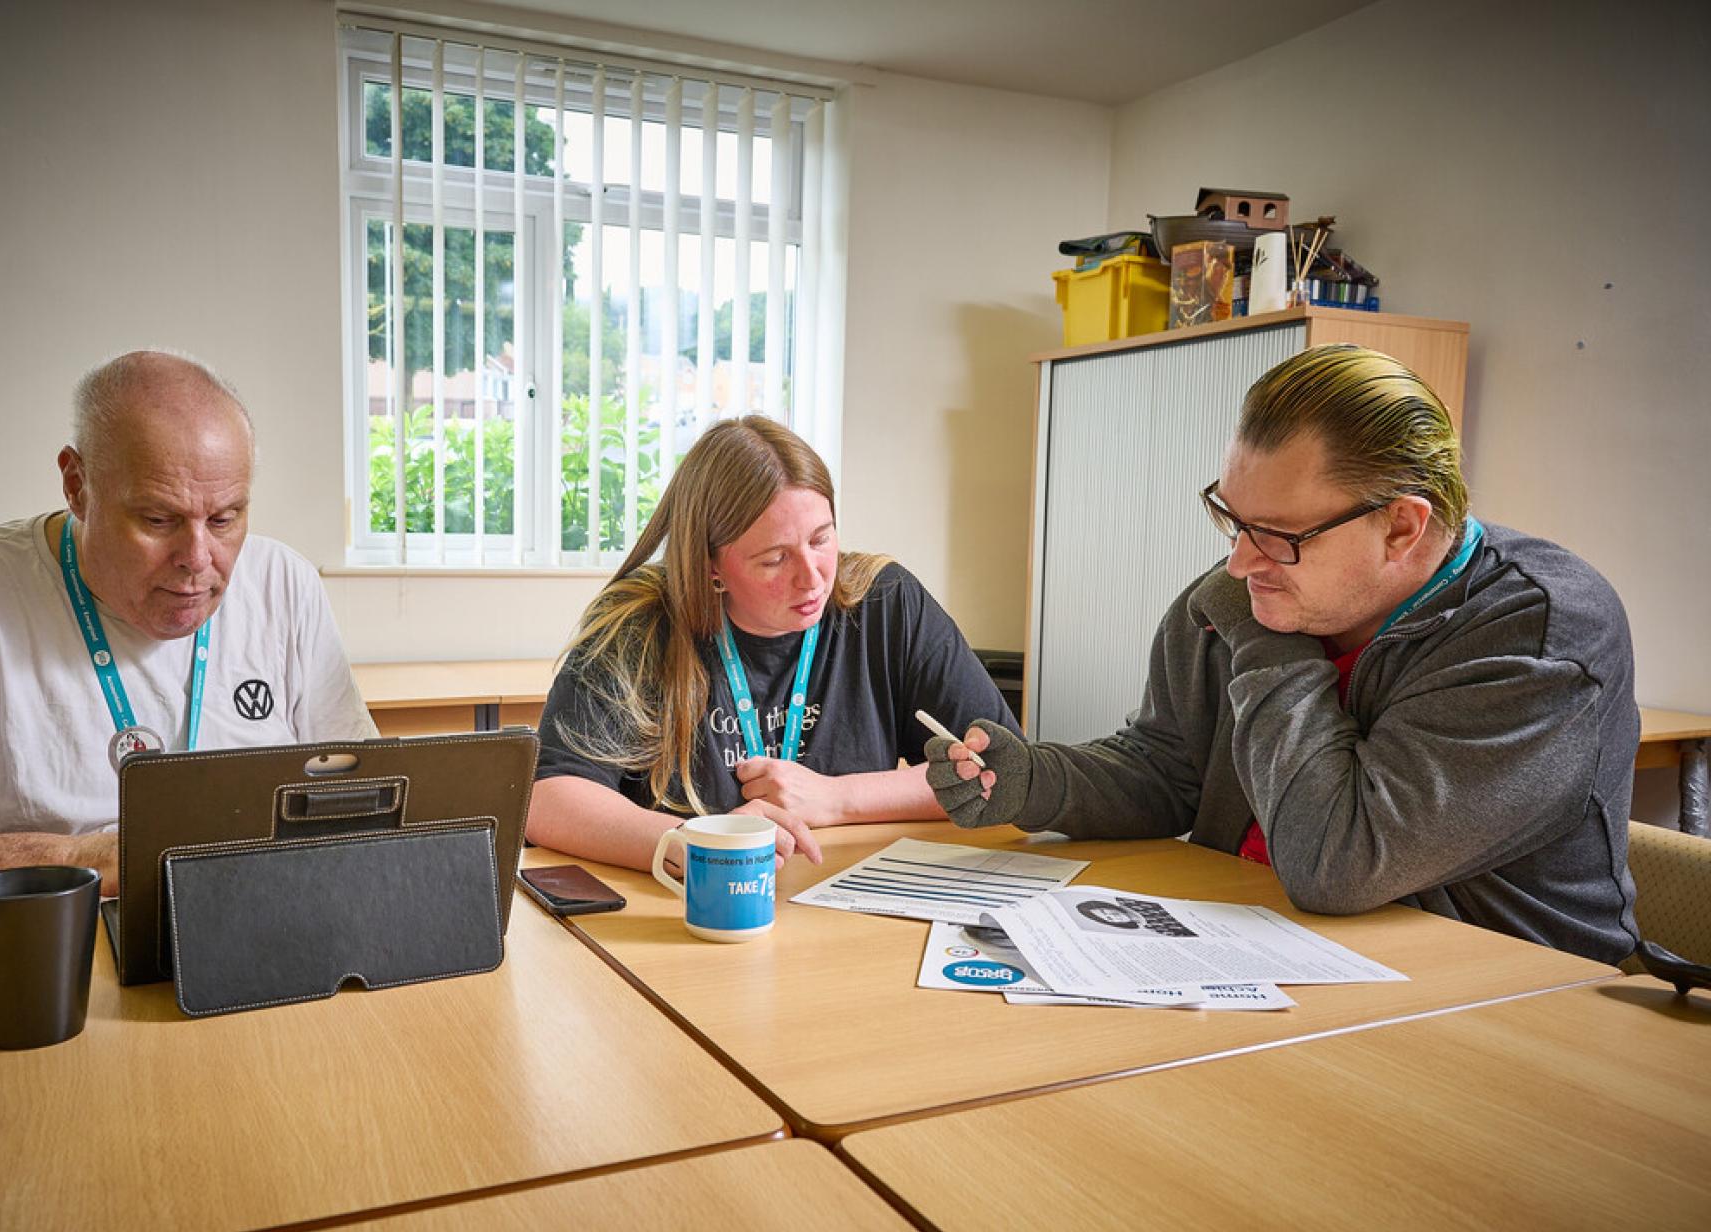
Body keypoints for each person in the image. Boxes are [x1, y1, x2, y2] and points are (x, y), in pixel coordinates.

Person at [927, 344, 1640, 965]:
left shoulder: (1541, 635)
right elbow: (1168, 769)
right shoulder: (1253, 589)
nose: (1239, 562)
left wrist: (1267, 641)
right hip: (1257, 948)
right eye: (1232, 518)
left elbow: (1341, 859)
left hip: (1502, 999)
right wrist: (1033, 782)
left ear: (1401, 526)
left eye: (1278, 533)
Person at [0, 350, 377, 909]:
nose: (198, 558)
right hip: (49, 949)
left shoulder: (286, 584)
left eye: (224, 518)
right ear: (77, 485)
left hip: (252, 928)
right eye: (158, 519)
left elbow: (371, 798)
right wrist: (88, 860)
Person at [528, 415, 1018, 872]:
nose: (811, 580)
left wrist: (835, 798)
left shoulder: (886, 601)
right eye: (774, 559)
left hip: (834, 895)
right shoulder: (638, 623)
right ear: (711, 566)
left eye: (822, 540)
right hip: (690, 907)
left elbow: (1003, 768)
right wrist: (692, 842)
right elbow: (549, 798)